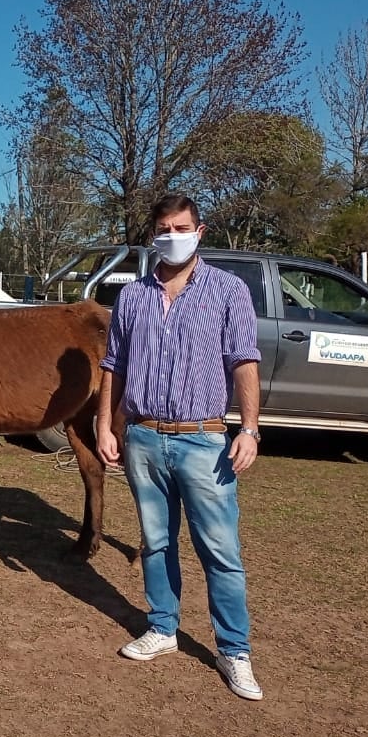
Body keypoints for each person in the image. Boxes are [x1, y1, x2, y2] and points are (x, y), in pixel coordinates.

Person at [96, 194, 265, 701]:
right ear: (154, 235)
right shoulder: (132, 297)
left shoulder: (229, 292)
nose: (174, 234)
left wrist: (250, 429)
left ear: (200, 230)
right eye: (165, 228)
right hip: (143, 437)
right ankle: (163, 627)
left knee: (221, 552)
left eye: (182, 226)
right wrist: (107, 424)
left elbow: (243, 362)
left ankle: (234, 651)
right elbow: (113, 367)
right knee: (155, 541)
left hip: (204, 438)